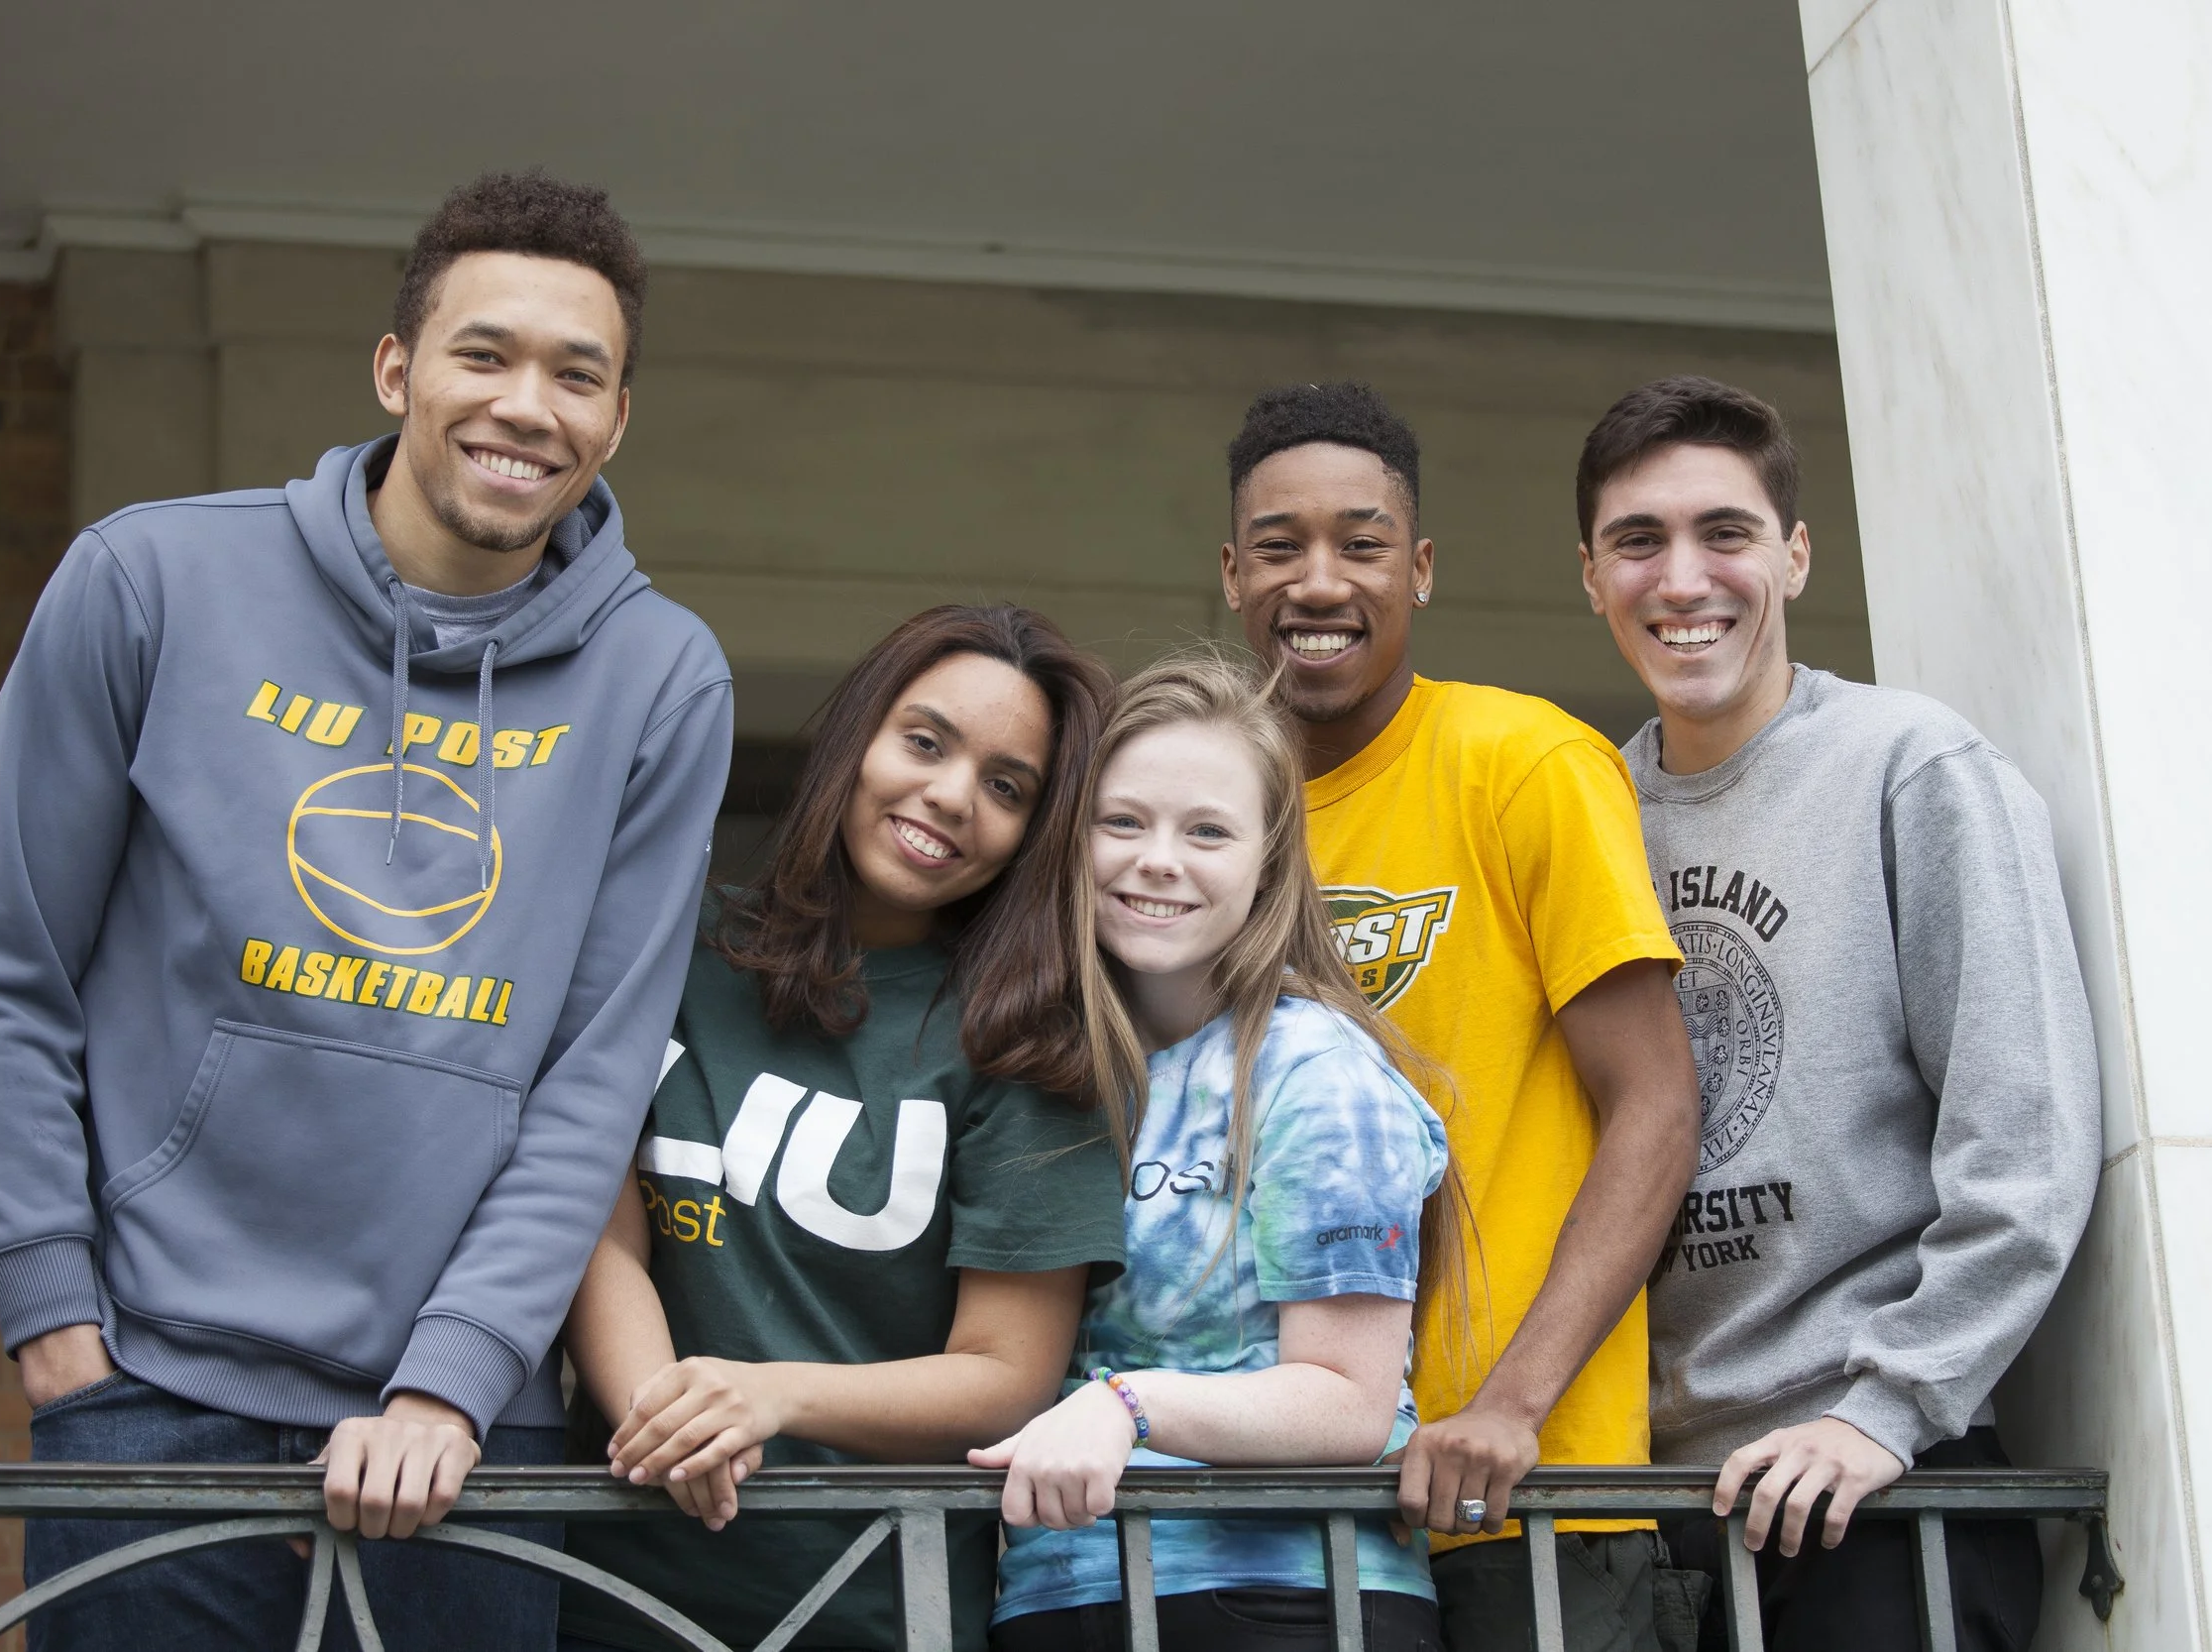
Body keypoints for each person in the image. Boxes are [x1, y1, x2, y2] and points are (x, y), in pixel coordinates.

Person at [0, 171, 734, 1649]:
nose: (525, 405)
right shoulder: (152, 578)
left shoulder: (662, 679)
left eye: (577, 373)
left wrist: (458, 1368)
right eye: (484, 354)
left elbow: (593, 1074)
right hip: (150, 1399)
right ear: (397, 369)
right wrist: (57, 1327)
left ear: (618, 419)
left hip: (466, 1432)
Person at [1574, 375, 2101, 1651]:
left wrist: (1891, 1404)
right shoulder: (1584, 810)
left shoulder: (1911, 765)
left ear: (1795, 555)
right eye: (1638, 541)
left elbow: (2024, 1132)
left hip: (1878, 1484)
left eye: (1726, 533)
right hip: (1655, 1503)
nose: (1681, 578)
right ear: (1591, 576)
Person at [1218, 383, 1703, 1652]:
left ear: (1419, 569)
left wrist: (1511, 1402)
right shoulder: (1209, 822)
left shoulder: (1524, 761)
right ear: (1231, 574)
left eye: (1361, 543)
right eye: (1280, 545)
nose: (1318, 581)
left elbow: (1654, 1105)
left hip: (1530, 1490)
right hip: (1288, 1500)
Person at [558, 605, 1126, 1652]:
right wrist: (671, 1418)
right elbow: (592, 1231)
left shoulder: (1026, 1044)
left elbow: (1006, 1369)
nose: (951, 796)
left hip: (871, 1597)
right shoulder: (673, 944)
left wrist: (767, 1394)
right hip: (608, 1578)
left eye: (1008, 786)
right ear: (855, 735)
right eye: (924, 740)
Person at [977, 650, 1458, 1652]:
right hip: (1055, 1586)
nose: (1158, 858)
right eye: (1124, 821)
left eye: (1206, 830)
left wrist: (1126, 1406)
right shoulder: (1051, 1065)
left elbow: (1348, 1402)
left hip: (1279, 1594)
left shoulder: (1314, 1068)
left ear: (1267, 863)